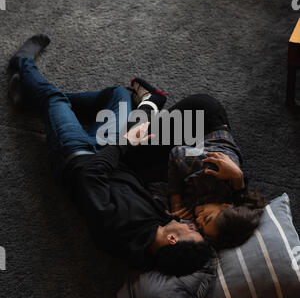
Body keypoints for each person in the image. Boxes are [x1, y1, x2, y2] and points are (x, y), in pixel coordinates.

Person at [7, 35, 215, 277]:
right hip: (109, 150)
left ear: (172, 240)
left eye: (191, 230)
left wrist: (126, 142)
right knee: (119, 95)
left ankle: (22, 63)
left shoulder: (118, 230)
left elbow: (90, 175)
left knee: (54, 99)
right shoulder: (157, 229)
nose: (191, 224)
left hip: (76, 154)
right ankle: (30, 102)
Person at [125, 85, 266, 250]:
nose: (198, 221)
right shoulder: (213, 174)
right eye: (206, 218)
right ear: (225, 206)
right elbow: (178, 153)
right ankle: (151, 99)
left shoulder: (222, 209)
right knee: (129, 146)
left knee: (139, 174)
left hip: (194, 146)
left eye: (202, 227)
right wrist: (175, 199)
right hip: (200, 116)